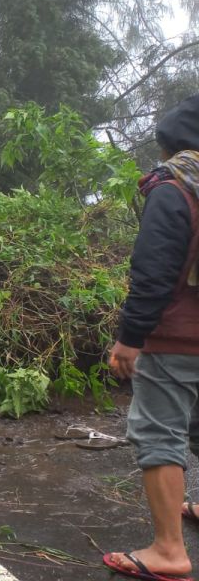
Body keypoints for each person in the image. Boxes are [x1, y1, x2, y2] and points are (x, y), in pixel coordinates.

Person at [104, 94, 199, 581]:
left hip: (179, 340)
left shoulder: (175, 187)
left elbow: (154, 272)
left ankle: (169, 551)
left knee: (159, 432)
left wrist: (131, 337)